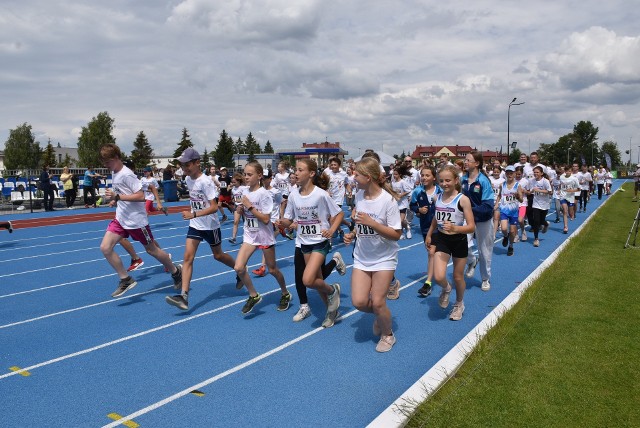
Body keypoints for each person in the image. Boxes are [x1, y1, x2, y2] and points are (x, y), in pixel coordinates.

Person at [98, 143, 182, 298]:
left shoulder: (126, 174)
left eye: (108, 162)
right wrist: (116, 200)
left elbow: (140, 196)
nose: (106, 165)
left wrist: (118, 197)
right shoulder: (115, 172)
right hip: (121, 218)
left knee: (152, 250)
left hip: (136, 221)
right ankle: (125, 279)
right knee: (105, 247)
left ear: (116, 158)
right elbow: (124, 193)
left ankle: (176, 271)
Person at [165, 148, 243, 311]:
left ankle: (240, 268)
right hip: (195, 225)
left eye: (187, 164)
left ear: (197, 163)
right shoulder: (187, 179)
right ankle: (184, 296)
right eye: (182, 164)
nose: (184, 167)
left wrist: (194, 214)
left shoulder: (206, 182)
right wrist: (193, 215)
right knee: (187, 258)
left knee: (218, 255)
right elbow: (195, 200)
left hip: (210, 225)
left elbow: (214, 207)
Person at [276, 158, 344, 327]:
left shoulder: (320, 194)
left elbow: (339, 213)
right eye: (295, 170)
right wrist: (282, 223)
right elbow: (289, 220)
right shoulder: (293, 195)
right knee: (317, 281)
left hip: (320, 242)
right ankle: (331, 312)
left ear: (311, 174)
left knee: (307, 280)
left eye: (300, 170)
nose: (296, 173)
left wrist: (332, 230)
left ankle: (333, 290)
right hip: (304, 242)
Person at [343, 157, 402, 352]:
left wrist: (374, 224)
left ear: (368, 177)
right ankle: (380, 314)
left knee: (377, 301)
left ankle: (388, 334)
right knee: (359, 302)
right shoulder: (359, 196)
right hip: (362, 256)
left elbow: (396, 234)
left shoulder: (388, 201)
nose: (354, 178)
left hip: (384, 257)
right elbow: (361, 225)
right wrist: (352, 233)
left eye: (357, 175)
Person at [233, 161, 291, 314]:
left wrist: (249, 206)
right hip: (250, 235)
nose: (246, 177)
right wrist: (240, 209)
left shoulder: (264, 194)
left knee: (272, 270)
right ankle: (253, 295)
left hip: (264, 236)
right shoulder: (245, 191)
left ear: (259, 176)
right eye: (245, 174)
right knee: (239, 267)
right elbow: (244, 210)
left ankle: (285, 292)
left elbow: (266, 219)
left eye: (250, 174)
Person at [425, 165, 476, 321]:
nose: (444, 183)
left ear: (455, 180)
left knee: (458, 276)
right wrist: (429, 234)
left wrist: (455, 228)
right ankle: (447, 289)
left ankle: (459, 304)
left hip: (459, 240)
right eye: (441, 181)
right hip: (442, 239)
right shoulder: (437, 198)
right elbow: (436, 218)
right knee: (439, 276)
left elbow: (471, 226)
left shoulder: (463, 200)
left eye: (448, 180)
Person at [461, 150, 495, 291]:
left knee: (484, 251)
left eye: (468, 160)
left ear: (477, 163)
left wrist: (469, 209)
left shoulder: (483, 181)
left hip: (483, 220)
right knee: (461, 243)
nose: (465, 162)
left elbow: (488, 206)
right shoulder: (463, 180)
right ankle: (471, 260)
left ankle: (485, 279)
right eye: (465, 160)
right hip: (467, 219)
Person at [410, 165, 442, 296]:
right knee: (431, 253)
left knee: (432, 253)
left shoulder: (440, 190)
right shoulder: (417, 191)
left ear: (434, 177)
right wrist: (418, 210)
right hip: (425, 227)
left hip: (440, 227)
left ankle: (428, 282)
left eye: (427, 175)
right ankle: (433, 276)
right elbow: (412, 205)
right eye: (422, 175)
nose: (424, 177)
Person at [524, 166, 552, 247]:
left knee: (541, 220)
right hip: (536, 203)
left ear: (541, 173)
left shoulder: (545, 181)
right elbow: (530, 191)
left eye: (537, 172)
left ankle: (546, 224)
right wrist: (526, 191)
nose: (535, 174)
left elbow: (550, 192)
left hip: (545, 204)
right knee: (536, 221)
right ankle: (536, 239)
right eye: (534, 172)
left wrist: (539, 190)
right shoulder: (532, 181)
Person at [498, 165, 523, 256]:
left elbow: (521, 200)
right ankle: (505, 236)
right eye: (507, 173)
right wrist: (497, 203)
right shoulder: (502, 185)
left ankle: (511, 246)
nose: (509, 175)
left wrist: (518, 196)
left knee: (512, 231)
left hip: (514, 211)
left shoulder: (517, 185)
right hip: (504, 210)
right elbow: (500, 195)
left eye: (511, 173)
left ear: (514, 174)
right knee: (504, 228)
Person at [391, 164, 414, 240]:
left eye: (396, 174)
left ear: (400, 174)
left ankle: (407, 230)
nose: (394, 176)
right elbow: (393, 191)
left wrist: (401, 195)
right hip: (396, 204)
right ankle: (406, 228)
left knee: (400, 220)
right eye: (393, 174)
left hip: (403, 204)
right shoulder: (393, 182)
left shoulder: (402, 182)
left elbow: (408, 191)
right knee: (399, 220)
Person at [559, 165, 580, 234]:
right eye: (567, 171)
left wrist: (572, 190)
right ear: (565, 171)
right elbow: (561, 184)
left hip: (570, 197)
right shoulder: (561, 177)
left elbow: (579, 189)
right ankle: (565, 227)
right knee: (565, 210)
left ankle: (572, 214)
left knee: (570, 213)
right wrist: (559, 190)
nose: (568, 172)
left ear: (571, 172)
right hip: (563, 196)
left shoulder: (574, 179)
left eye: (569, 171)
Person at [229, 172, 248, 245]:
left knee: (246, 223)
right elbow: (234, 198)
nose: (233, 183)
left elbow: (246, 196)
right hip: (237, 207)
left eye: (234, 182)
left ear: (238, 181)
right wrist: (234, 201)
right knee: (235, 222)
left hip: (244, 207)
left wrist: (241, 202)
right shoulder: (233, 189)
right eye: (232, 182)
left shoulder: (243, 188)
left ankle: (247, 239)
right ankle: (234, 238)